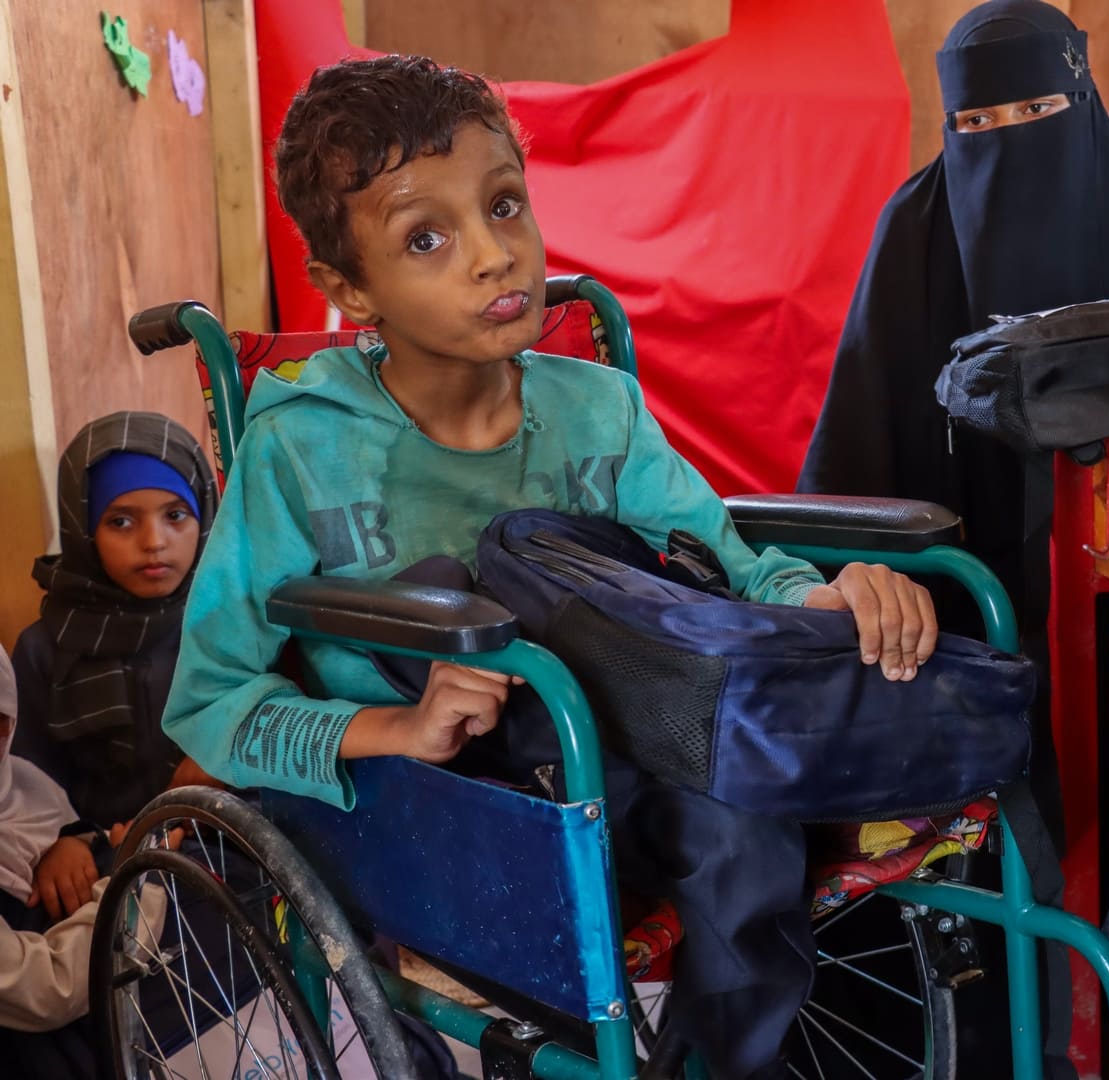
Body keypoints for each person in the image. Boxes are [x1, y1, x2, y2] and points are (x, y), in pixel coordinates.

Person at [160, 54, 938, 1079]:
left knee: (747, 824)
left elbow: (735, 570)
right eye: (426, 238)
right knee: (454, 599)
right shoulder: (302, 447)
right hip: (431, 798)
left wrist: (825, 597)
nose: (496, 256)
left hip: (625, 757)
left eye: (504, 205)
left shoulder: (596, 410)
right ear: (350, 288)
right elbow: (210, 701)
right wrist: (402, 727)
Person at [799, 0, 1109, 617]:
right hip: (953, 600)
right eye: (978, 120)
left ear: (1082, 102)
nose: (1010, 135)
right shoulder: (915, 230)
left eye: (1036, 109)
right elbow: (858, 436)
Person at [12, 413, 221, 912]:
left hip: (221, 842)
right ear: (82, 529)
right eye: (121, 521)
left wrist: (222, 764)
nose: (154, 542)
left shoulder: (229, 627)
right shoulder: (46, 648)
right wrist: (61, 839)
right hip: (98, 858)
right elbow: (23, 772)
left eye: (176, 515)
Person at [0, 644, 165, 1079]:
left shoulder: (22, 784)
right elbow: (46, 986)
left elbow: (59, 824)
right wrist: (137, 875)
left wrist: (72, 839)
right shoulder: (45, 651)